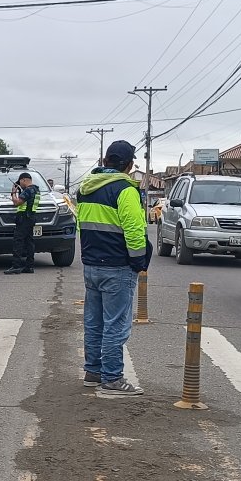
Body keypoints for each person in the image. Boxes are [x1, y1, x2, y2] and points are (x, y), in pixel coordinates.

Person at [77, 140, 152, 398]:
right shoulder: (125, 190)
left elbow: (82, 226)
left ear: (105, 160)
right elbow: (134, 230)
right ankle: (112, 378)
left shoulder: (85, 188)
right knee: (116, 325)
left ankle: (93, 372)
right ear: (129, 165)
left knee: (94, 322)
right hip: (117, 265)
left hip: (91, 264)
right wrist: (139, 261)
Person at [4, 172, 40, 275]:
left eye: (20, 182)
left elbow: (16, 203)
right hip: (31, 217)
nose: (20, 184)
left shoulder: (28, 190)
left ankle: (16, 266)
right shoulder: (36, 190)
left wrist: (13, 193)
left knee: (18, 242)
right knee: (29, 242)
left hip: (24, 219)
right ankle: (29, 266)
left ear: (24, 180)